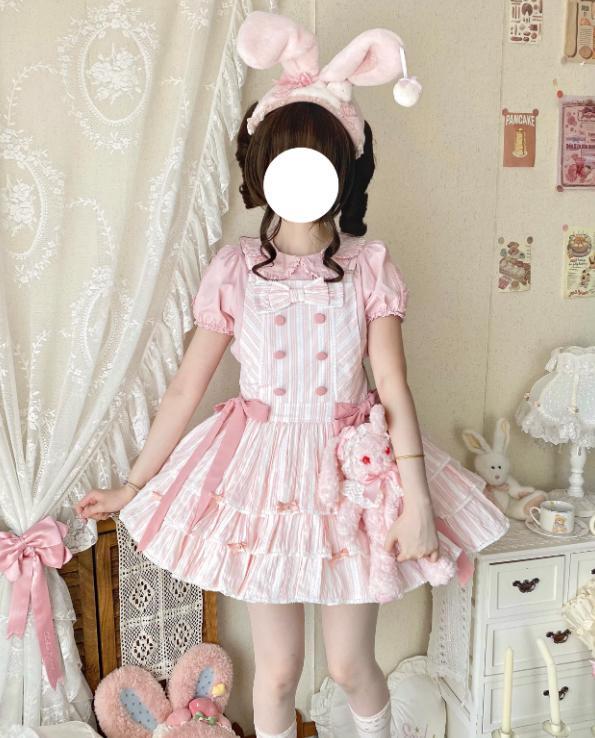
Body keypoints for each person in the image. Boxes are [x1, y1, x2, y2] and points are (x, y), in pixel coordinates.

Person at [75, 11, 509, 738]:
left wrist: (416, 501)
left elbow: (393, 389)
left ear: (345, 171)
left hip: (350, 474)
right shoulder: (235, 270)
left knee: (349, 666)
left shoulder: (368, 267)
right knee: (276, 673)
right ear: (260, 168)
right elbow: (186, 387)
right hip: (261, 474)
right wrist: (135, 484)